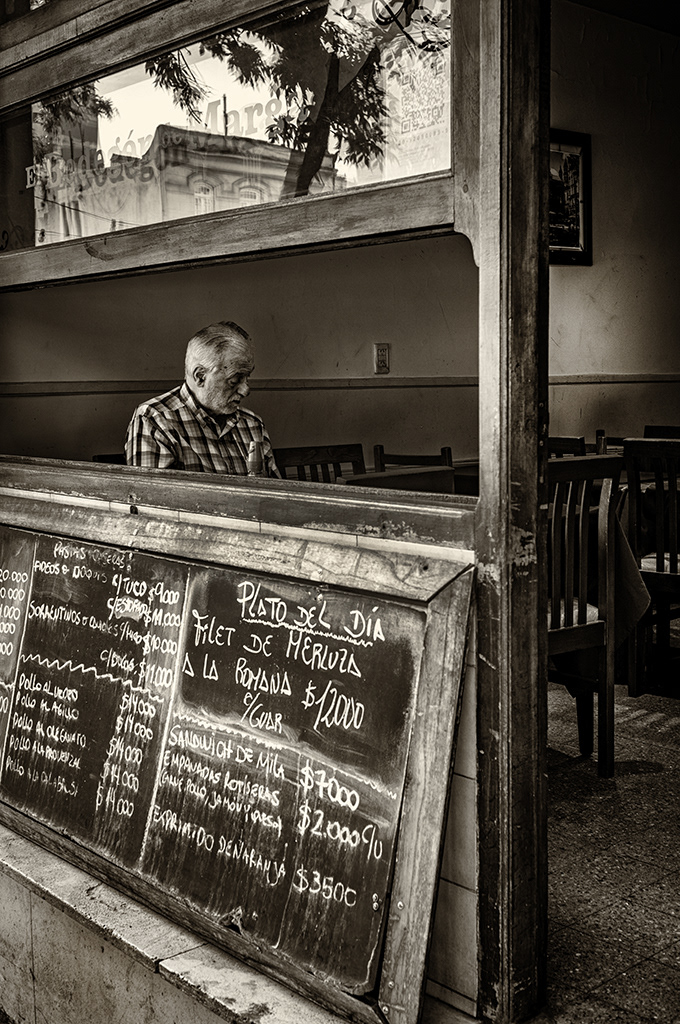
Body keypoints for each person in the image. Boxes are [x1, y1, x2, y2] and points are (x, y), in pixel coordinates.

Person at [125, 321, 279, 476]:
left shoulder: (253, 424)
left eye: (247, 377)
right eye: (234, 380)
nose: (245, 390)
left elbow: (277, 493)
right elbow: (155, 497)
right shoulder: (154, 420)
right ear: (200, 376)